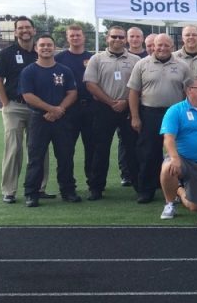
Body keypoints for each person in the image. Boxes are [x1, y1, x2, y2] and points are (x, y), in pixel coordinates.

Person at [128, 34, 192, 204]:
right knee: (148, 152)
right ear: (152, 46)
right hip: (149, 113)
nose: (162, 48)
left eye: (166, 45)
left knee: (177, 152)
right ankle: (146, 190)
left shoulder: (182, 66)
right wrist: (135, 116)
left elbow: (189, 92)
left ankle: (179, 189)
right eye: (159, 45)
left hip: (174, 113)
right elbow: (133, 92)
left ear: (172, 46)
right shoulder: (142, 64)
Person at [0, 16, 50, 203]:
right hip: (15, 107)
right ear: (16, 31)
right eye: (20, 28)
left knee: (39, 148)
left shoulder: (41, 51)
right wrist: (6, 104)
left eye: (28, 27)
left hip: (38, 108)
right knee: (13, 148)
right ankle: (9, 190)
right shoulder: (7, 53)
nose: (25, 30)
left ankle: (39, 187)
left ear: (34, 30)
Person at [19, 35, 80, 207]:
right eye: (42, 45)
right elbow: (28, 96)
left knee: (66, 156)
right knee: (36, 158)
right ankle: (32, 193)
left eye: (49, 45)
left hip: (62, 119)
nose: (46, 48)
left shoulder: (64, 70)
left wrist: (59, 110)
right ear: (36, 49)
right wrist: (50, 109)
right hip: (39, 119)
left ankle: (68, 191)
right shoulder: (29, 71)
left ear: (55, 48)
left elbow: (72, 93)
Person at [83, 26, 141, 200]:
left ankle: (140, 186)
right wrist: (110, 102)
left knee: (133, 149)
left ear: (126, 39)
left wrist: (125, 103)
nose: (117, 40)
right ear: (107, 38)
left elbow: (140, 86)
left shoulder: (135, 59)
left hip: (128, 108)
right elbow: (90, 84)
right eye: (114, 37)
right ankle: (96, 187)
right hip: (103, 108)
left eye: (121, 37)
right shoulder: (97, 59)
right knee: (100, 149)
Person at [158, 76, 197, 219]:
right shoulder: (175, 110)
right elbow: (168, 138)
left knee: (195, 206)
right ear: (189, 91)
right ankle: (169, 204)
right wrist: (174, 158)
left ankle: (179, 190)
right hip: (182, 159)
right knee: (168, 167)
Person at [54, 24, 96, 199]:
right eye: (72, 35)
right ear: (67, 37)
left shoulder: (93, 58)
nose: (75, 38)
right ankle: (67, 188)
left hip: (90, 109)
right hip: (68, 111)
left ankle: (94, 185)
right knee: (65, 151)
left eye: (78, 35)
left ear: (83, 37)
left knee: (92, 150)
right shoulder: (59, 58)